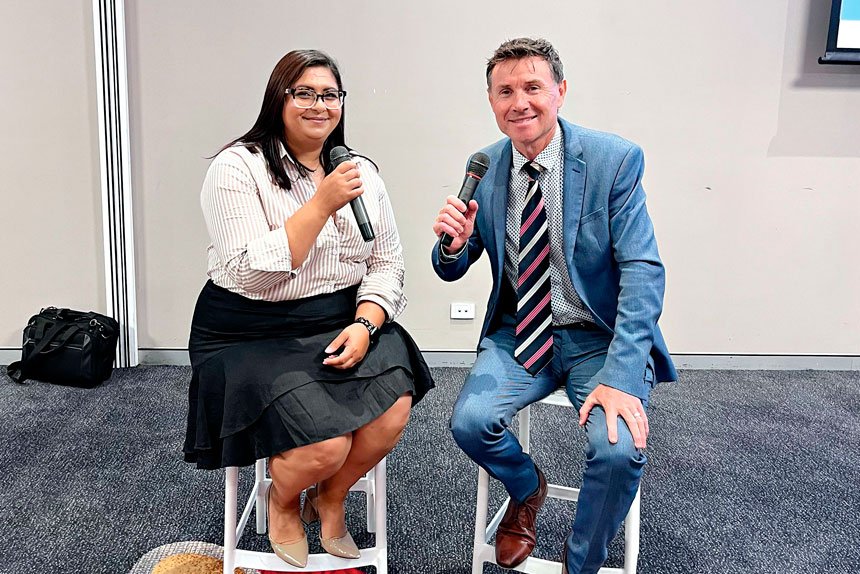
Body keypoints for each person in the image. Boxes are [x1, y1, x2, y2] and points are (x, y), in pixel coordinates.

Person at [431, 38, 677, 573]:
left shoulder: (613, 160)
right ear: (491, 101)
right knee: (470, 423)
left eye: (533, 87)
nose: (519, 102)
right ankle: (527, 488)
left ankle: (580, 563)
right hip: (520, 331)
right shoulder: (484, 165)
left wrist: (622, 375)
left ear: (560, 91)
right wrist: (453, 245)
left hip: (599, 337)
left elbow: (644, 271)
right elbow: (453, 265)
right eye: (505, 91)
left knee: (617, 449)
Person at [184, 49, 433, 568]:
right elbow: (250, 273)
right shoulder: (237, 168)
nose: (320, 106)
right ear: (279, 99)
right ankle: (284, 501)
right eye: (305, 93)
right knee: (326, 446)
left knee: (392, 409)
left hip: (338, 319)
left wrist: (366, 324)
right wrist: (320, 204)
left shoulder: (359, 171)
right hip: (250, 329)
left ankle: (330, 497)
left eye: (330, 95)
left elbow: (387, 262)